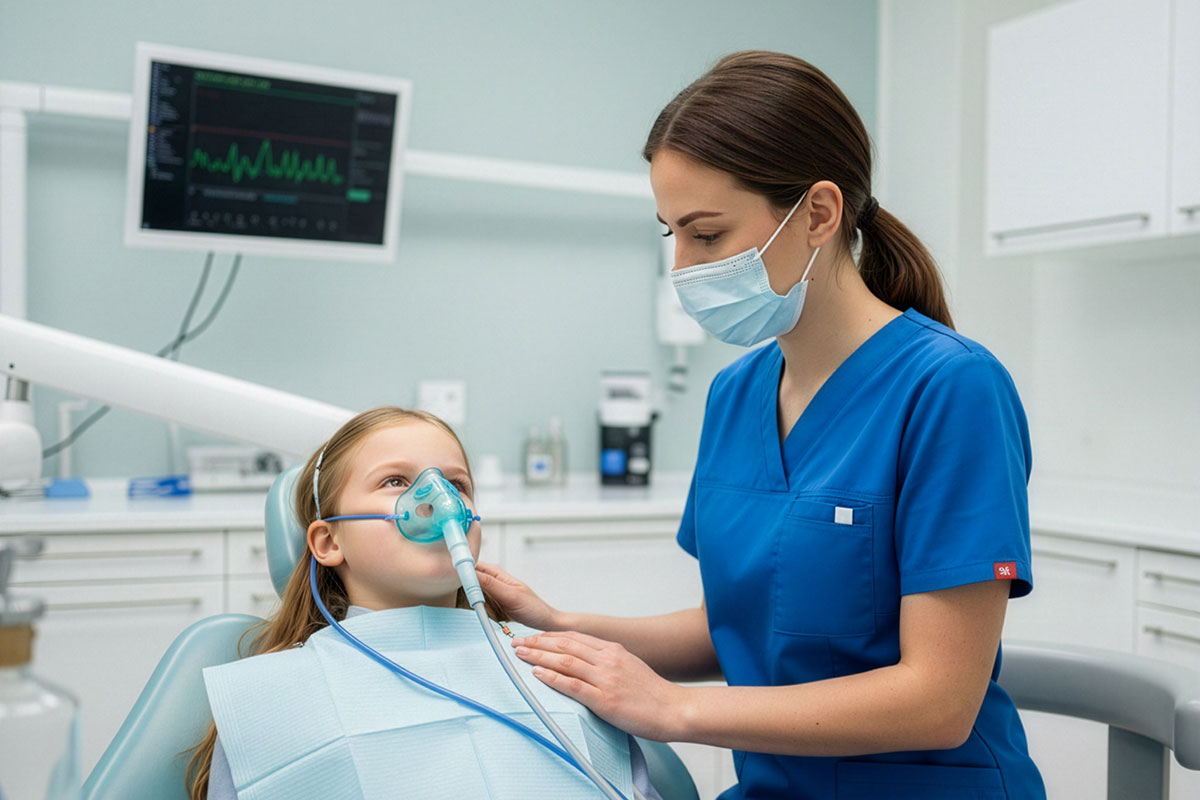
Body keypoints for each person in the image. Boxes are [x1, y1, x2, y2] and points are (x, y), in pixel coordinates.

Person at [475, 51, 1046, 799]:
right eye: (669, 233)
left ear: (817, 214)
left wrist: (673, 708)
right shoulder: (736, 394)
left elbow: (939, 701)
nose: (682, 266)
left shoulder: (951, 389)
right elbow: (740, 628)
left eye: (706, 235)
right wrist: (560, 624)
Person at [187, 406, 662, 800]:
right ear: (329, 541)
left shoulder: (555, 670)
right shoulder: (270, 697)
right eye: (395, 481)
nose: (440, 500)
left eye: (457, 485)